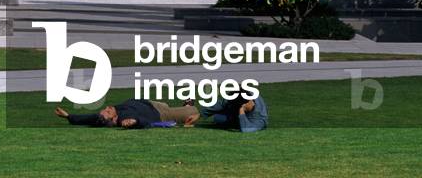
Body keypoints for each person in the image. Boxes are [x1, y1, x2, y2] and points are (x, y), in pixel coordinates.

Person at [54, 98, 199, 128]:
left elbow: (89, 118)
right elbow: (141, 122)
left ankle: (185, 104)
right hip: (161, 114)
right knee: (193, 112)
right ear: (111, 118)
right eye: (106, 112)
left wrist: (69, 116)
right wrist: (135, 122)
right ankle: (188, 105)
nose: (107, 109)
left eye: (105, 110)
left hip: (148, 103)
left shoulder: (115, 110)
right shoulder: (123, 117)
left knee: (165, 103)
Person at [199, 95, 268, 133]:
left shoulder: (260, 118)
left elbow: (246, 130)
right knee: (218, 118)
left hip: (242, 120)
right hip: (233, 114)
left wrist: (241, 110)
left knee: (219, 119)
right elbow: (221, 103)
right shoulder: (237, 97)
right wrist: (200, 114)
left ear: (250, 102)